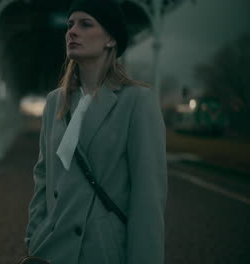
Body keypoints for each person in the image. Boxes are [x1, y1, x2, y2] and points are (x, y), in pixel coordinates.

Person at [24, 0, 167, 263]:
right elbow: (43, 176)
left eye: (85, 24)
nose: (72, 31)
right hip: (51, 251)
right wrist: (34, 236)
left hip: (101, 251)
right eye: (70, 25)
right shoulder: (55, 101)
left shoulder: (137, 101)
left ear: (111, 39)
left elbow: (147, 199)